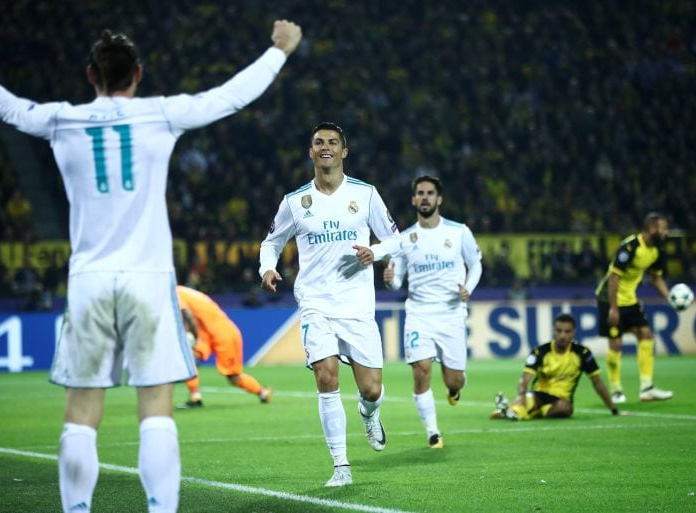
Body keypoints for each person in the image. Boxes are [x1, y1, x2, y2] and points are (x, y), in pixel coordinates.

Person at [0, 20, 302, 513]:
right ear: (137, 74)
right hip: (148, 279)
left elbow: (11, 109)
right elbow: (228, 97)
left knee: (81, 411)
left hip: (90, 281)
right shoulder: (159, 115)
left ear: (90, 75)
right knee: (155, 406)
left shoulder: (61, 119)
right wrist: (278, 51)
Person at [259, 122, 401, 487]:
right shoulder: (295, 201)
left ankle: (369, 413)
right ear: (311, 152)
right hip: (316, 304)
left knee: (371, 388)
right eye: (319, 142)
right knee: (326, 376)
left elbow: (395, 239)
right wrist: (268, 267)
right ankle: (341, 466)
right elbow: (270, 242)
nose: (325, 147)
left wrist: (376, 252)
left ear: (343, 152)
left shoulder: (366, 194)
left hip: (356, 306)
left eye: (332, 143)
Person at [382, 175, 482, 449]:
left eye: (430, 193)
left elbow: (476, 265)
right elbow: (397, 283)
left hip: (451, 314)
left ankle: (454, 388)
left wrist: (468, 289)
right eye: (420, 193)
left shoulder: (459, 231)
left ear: (439, 199)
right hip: (419, 315)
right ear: (414, 200)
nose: (425, 198)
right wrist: (390, 279)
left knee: (455, 380)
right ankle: (433, 432)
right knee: (421, 371)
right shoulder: (404, 239)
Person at [595, 212, 674, 404]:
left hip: (630, 299)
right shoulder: (630, 247)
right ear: (651, 229)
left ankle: (647, 388)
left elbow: (656, 278)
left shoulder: (657, 250)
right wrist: (613, 308)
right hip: (609, 298)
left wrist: (671, 299)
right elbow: (614, 277)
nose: (666, 232)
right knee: (616, 343)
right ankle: (616, 390)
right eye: (663, 228)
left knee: (646, 335)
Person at [490, 313, 621, 420]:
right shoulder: (541, 351)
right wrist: (523, 394)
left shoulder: (583, 354)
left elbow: (597, 383)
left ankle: (511, 411)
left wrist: (613, 409)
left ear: (573, 332)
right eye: (559, 331)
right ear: (553, 331)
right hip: (538, 394)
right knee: (525, 401)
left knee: (564, 408)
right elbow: (525, 379)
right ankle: (513, 410)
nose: (563, 335)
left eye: (567, 331)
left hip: (561, 400)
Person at [174, 285, 271, 408]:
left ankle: (262, 392)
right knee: (189, 357)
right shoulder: (183, 291)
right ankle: (195, 397)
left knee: (233, 377)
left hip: (223, 334)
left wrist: (192, 336)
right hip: (208, 334)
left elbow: (188, 316)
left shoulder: (176, 293)